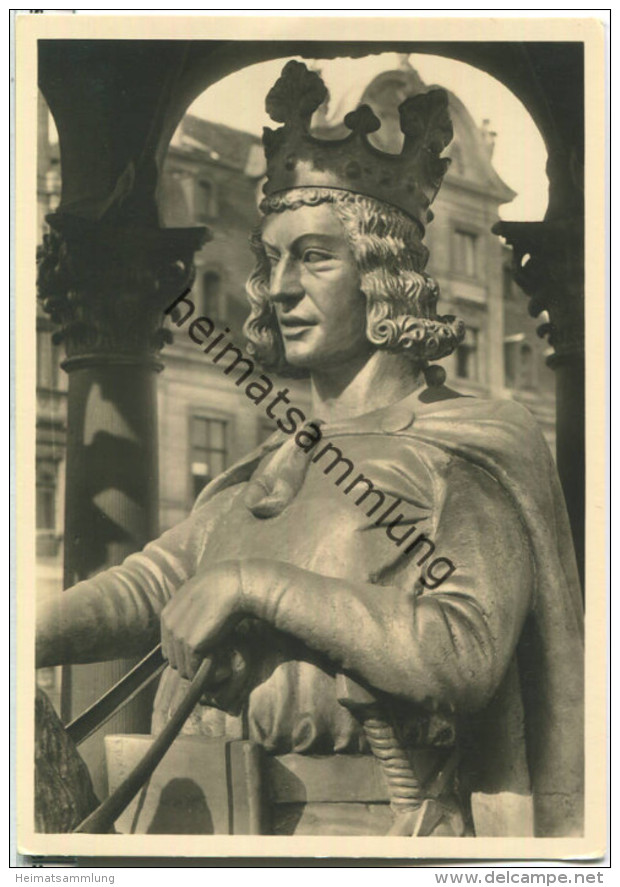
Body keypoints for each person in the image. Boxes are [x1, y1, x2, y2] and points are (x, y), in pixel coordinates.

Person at [36, 61, 584, 838]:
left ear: (384, 273)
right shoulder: (274, 462)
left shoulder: (458, 450)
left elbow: (462, 648)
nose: (277, 287)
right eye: (271, 261)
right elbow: (147, 583)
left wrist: (253, 585)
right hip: (205, 815)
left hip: (369, 833)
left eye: (314, 257)